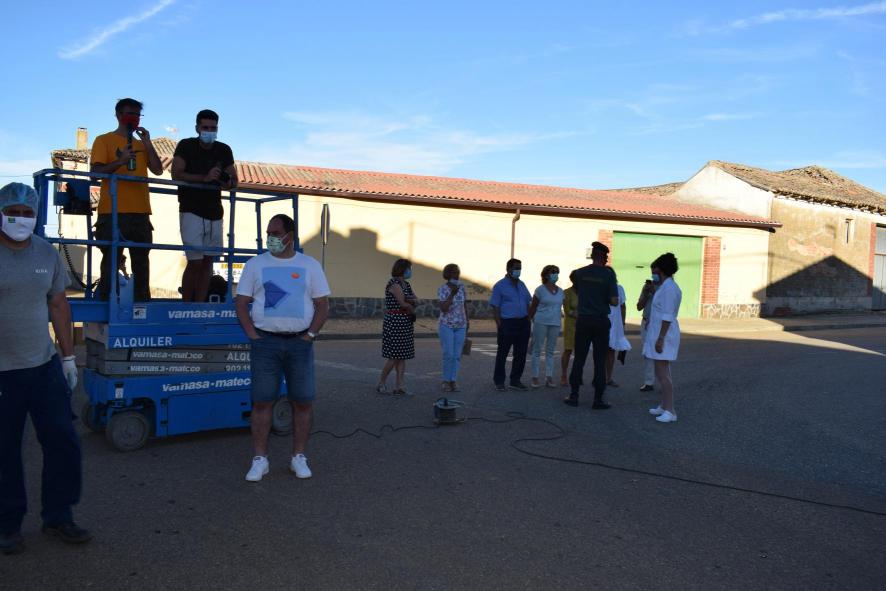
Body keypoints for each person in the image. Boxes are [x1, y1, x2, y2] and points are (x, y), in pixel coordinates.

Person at [0, 183, 90, 555]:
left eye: (27, 213)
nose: (20, 219)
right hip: (3, 372)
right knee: (5, 450)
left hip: (42, 365)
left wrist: (67, 357)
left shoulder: (46, 252)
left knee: (63, 441)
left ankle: (58, 515)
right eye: (13, 212)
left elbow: (58, 305)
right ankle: (7, 524)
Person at [235, 214, 330, 482]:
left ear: (290, 236)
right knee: (262, 402)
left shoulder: (310, 265)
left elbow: (322, 305)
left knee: (303, 401)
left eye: (276, 233)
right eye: (268, 233)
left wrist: (310, 335)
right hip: (265, 343)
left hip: (300, 344)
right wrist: (253, 335)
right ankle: (260, 460)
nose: (271, 238)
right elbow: (241, 303)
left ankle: (298, 457)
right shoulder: (255, 264)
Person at [90, 98, 163, 301]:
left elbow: (158, 170)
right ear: (118, 115)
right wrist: (120, 161)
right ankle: (106, 302)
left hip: (141, 213)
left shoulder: (142, 144)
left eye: (138, 115)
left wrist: (148, 143)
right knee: (111, 259)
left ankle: (142, 304)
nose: (134, 118)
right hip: (112, 212)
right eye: (130, 114)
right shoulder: (103, 140)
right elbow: (95, 173)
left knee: (141, 262)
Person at [171, 109, 238, 302]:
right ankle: (186, 307)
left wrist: (225, 180)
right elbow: (176, 174)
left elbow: (234, 181)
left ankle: (200, 305)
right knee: (194, 261)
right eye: (205, 127)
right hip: (191, 210)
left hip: (215, 213)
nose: (209, 131)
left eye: (213, 128)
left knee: (208, 262)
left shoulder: (224, 150)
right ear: (197, 128)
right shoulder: (186, 145)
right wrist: (204, 178)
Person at [565, 242, 618, 408]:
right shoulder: (609, 275)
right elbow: (614, 301)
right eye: (606, 256)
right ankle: (598, 399)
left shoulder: (580, 273)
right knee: (599, 360)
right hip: (600, 321)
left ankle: (574, 395)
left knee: (579, 358)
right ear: (603, 257)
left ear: (593, 255)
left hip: (583, 320)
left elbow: (578, 290)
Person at [644, 253, 682, 424]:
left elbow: (667, 316)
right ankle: (664, 405)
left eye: (654, 270)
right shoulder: (665, 287)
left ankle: (670, 410)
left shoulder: (669, 289)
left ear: (661, 270)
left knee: (663, 374)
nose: (653, 274)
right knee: (661, 373)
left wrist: (660, 338)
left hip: (664, 335)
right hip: (660, 333)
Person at [377, 259, 418, 395]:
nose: (410, 271)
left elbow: (415, 299)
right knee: (394, 356)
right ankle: (381, 382)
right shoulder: (394, 284)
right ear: (402, 269)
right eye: (409, 269)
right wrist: (410, 304)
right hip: (395, 322)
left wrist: (410, 302)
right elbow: (403, 303)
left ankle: (400, 386)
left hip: (405, 321)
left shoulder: (406, 284)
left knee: (402, 356)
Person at [489, 258, 532, 391]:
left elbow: (528, 301)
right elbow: (495, 306)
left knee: (521, 353)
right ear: (508, 269)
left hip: (523, 323)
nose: (518, 271)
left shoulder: (522, 284)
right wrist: (499, 324)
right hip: (507, 323)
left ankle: (515, 380)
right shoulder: (500, 285)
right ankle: (499, 381)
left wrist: (528, 319)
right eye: (516, 268)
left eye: (520, 268)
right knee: (503, 353)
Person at [528, 265, 564, 388]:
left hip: (555, 323)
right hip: (541, 322)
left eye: (557, 272)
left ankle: (549, 377)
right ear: (546, 275)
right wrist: (529, 320)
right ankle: (535, 377)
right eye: (553, 272)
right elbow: (533, 307)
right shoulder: (540, 290)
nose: (555, 274)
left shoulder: (561, 291)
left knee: (550, 351)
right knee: (537, 350)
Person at [437, 263, 468, 392]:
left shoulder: (462, 288)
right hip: (446, 325)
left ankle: (453, 380)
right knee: (448, 354)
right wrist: (452, 294)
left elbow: (464, 306)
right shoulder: (442, 289)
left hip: (461, 325)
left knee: (457, 355)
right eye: (454, 272)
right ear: (448, 274)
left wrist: (468, 322)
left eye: (458, 272)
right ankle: (445, 381)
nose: (457, 275)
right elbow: (444, 308)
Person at [636, 269, 659, 392]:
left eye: (656, 272)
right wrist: (646, 293)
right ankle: (649, 382)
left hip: (658, 324)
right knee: (647, 353)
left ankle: (664, 381)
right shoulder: (646, 288)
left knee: (660, 353)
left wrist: (654, 292)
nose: (653, 275)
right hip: (646, 323)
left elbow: (664, 304)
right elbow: (639, 307)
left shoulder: (664, 288)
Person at [605, 283, 631, 387]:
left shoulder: (619, 288)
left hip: (615, 324)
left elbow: (623, 306)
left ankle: (609, 378)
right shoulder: (601, 286)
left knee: (611, 350)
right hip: (602, 321)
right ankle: (599, 377)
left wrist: (623, 323)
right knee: (601, 351)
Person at [559, 271, 578, 386]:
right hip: (570, 325)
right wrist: (578, 313)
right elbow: (567, 310)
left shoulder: (585, 292)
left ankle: (576, 375)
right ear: (572, 280)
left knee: (580, 352)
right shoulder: (566, 292)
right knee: (568, 350)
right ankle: (564, 375)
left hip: (583, 326)